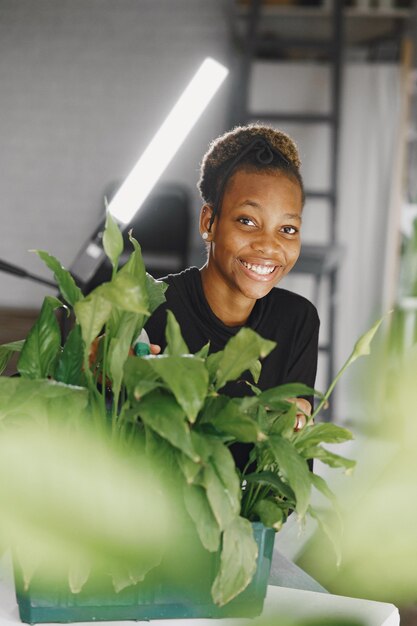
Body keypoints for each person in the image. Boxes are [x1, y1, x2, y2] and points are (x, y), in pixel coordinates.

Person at [145, 123, 319, 440]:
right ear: (209, 222)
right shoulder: (150, 304)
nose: (269, 245)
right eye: (247, 221)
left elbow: (287, 475)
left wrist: (296, 424)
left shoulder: (296, 320)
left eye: (288, 229)